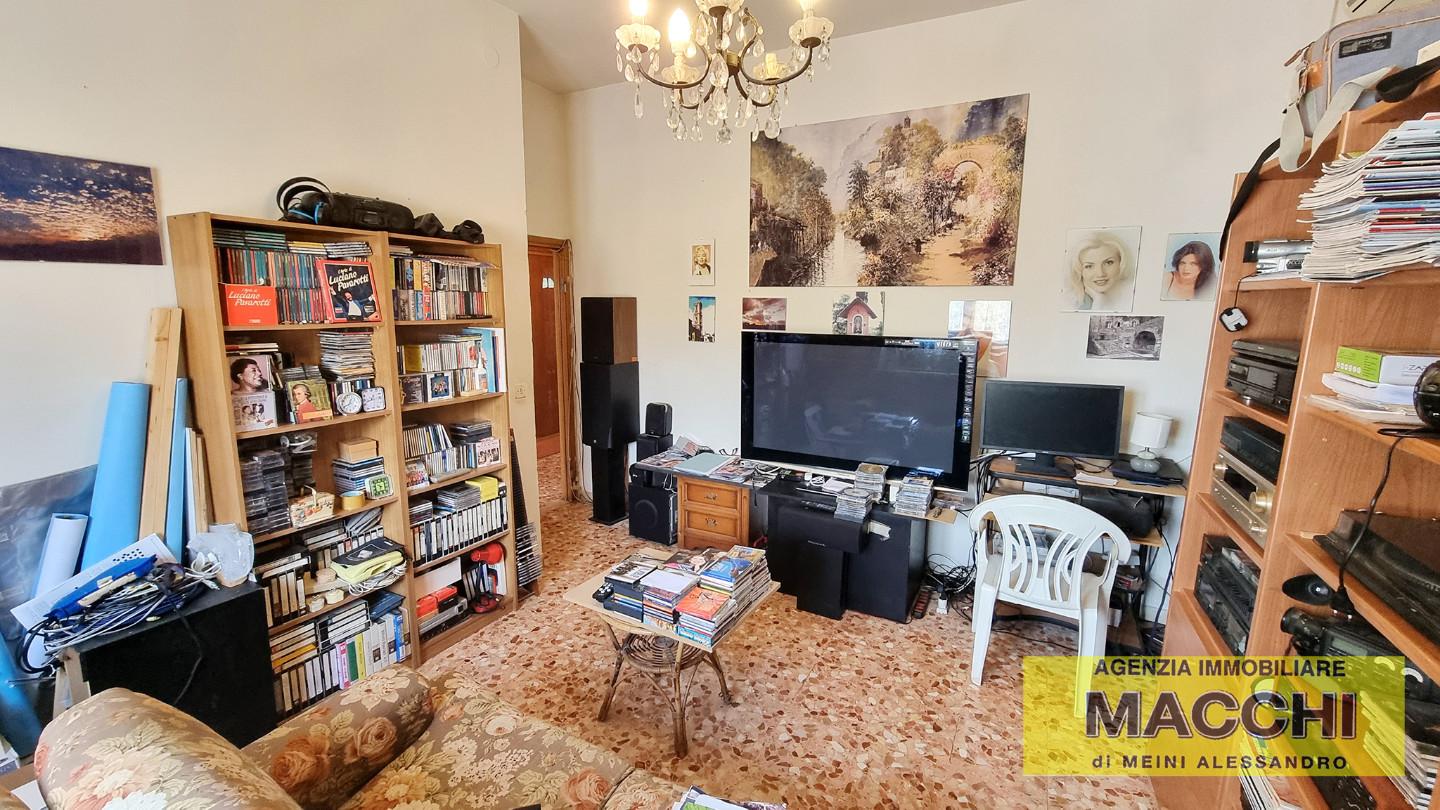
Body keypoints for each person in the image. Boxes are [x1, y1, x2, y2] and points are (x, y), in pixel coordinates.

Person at [1067, 232, 1135, 311]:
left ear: (1121, 262)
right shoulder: (1074, 303)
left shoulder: (1133, 293)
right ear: (1079, 270)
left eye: (1108, 263)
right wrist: (1099, 302)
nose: (1100, 274)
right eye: (1089, 266)